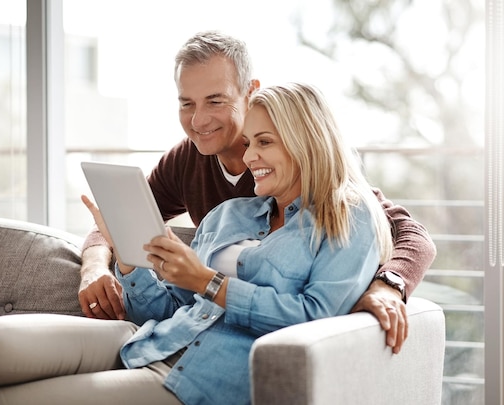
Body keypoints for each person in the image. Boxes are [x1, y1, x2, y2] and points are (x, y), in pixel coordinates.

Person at [0, 82, 395, 405]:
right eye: (249, 142)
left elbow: (315, 320)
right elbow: (168, 304)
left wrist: (209, 282)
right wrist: (132, 258)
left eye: (265, 142)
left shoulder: (348, 222)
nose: (250, 155)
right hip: (149, 338)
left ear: (307, 141)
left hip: (200, 380)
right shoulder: (233, 214)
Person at [78, 30, 436, 353]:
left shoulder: (299, 166)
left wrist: (387, 285)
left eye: (215, 100)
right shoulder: (187, 161)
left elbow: (407, 234)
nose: (198, 121)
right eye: (187, 103)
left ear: (250, 91)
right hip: (193, 332)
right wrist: (97, 267)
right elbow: (119, 218)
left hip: (245, 344)